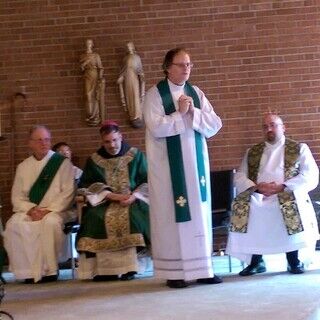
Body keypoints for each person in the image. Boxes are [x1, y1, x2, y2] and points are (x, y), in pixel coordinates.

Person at [143, 47, 223, 288]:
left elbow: (215, 124)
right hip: (169, 170)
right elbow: (155, 127)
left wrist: (194, 113)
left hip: (195, 167)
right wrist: (179, 114)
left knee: (199, 213)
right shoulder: (155, 95)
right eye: (181, 64)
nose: (186, 68)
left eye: (189, 64)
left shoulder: (196, 93)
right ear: (168, 67)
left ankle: (203, 269)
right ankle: (176, 272)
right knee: (171, 215)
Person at [226, 113, 319, 276]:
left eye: (273, 125)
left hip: (287, 193)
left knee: (291, 204)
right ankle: (256, 261)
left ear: (283, 128)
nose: (269, 129)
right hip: (259, 195)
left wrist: (283, 186)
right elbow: (240, 176)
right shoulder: (252, 152)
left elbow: (310, 174)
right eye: (265, 126)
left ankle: (293, 260)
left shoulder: (299, 148)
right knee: (249, 206)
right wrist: (256, 187)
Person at [76, 120, 150, 281]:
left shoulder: (135, 155)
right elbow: (87, 186)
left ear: (121, 137)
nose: (112, 145)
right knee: (95, 218)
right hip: (105, 201)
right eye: (107, 142)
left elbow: (147, 180)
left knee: (134, 218)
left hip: (133, 200)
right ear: (102, 141)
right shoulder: (94, 160)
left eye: (115, 140)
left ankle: (131, 268)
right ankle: (103, 270)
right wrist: (111, 196)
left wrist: (133, 197)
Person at [3, 125, 75, 283]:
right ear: (30, 143)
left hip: (57, 211)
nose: (44, 143)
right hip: (30, 211)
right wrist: (31, 210)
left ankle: (50, 270)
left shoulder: (62, 164)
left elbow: (68, 193)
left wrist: (48, 210)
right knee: (13, 225)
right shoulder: (23, 167)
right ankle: (27, 272)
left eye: (47, 139)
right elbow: (16, 197)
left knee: (50, 223)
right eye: (39, 140)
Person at [117, 42, 145, 128]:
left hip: (134, 80)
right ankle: (132, 116)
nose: (128, 48)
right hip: (127, 80)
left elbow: (140, 70)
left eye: (129, 46)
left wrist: (142, 77)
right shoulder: (125, 59)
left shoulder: (136, 58)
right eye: (127, 47)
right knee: (129, 98)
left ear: (133, 47)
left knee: (135, 97)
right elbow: (123, 70)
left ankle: (137, 116)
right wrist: (121, 77)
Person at [80, 39, 106, 126]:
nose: (88, 45)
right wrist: (85, 63)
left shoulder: (96, 56)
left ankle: (95, 115)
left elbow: (100, 67)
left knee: (95, 94)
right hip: (87, 76)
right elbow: (81, 68)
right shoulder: (83, 56)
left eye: (90, 43)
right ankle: (90, 114)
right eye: (87, 43)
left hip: (95, 75)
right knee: (88, 95)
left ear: (92, 45)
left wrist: (100, 78)